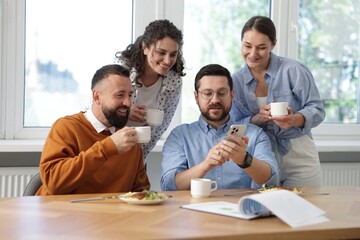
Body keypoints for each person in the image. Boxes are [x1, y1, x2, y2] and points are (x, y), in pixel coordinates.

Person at [230, 16, 326, 187]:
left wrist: (294, 119)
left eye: (261, 48)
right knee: (264, 211)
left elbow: (317, 109)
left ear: (273, 44)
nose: (252, 54)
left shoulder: (293, 69)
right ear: (241, 43)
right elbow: (234, 124)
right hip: (260, 156)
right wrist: (256, 119)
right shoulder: (235, 81)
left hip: (298, 153)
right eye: (247, 46)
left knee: (304, 210)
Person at [161, 64, 279, 191]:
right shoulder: (180, 136)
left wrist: (244, 159)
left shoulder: (255, 134)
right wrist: (206, 165)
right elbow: (169, 185)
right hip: (194, 208)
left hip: (240, 208)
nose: (215, 100)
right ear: (196, 97)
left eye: (222, 93)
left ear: (232, 95)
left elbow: (272, 180)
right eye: (207, 93)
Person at [36, 64, 150, 195]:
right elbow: (53, 184)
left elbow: (141, 191)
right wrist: (108, 147)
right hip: (60, 213)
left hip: (110, 214)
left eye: (130, 95)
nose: (128, 103)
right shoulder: (66, 127)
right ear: (97, 97)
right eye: (120, 95)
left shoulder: (129, 138)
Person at [114, 19, 185, 162]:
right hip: (110, 150)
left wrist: (140, 161)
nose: (167, 60)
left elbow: (160, 128)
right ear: (145, 47)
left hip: (137, 155)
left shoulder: (174, 81)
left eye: (173, 54)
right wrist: (126, 113)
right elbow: (99, 111)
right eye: (161, 52)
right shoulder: (122, 70)